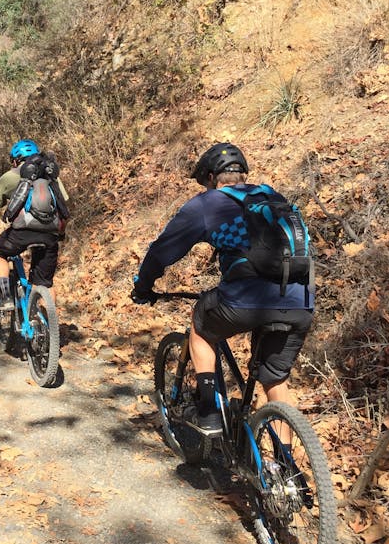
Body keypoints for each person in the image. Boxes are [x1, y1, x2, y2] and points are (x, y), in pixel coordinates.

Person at [130, 142, 314, 435]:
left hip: (244, 300)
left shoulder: (206, 204)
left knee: (201, 327)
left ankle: (209, 414)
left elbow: (162, 250)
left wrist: (143, 285)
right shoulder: (271, 196)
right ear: (242, 174)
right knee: (276, 380)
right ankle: (286, 471)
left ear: (212, 178)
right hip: (298, 300)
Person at [0, 139, 70, 310]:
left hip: (21, 234)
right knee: (45, 284)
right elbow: (63, 210)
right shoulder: (51, 176)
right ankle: (49, 328)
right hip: (49, 234)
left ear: (15, 160)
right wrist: (60, 233)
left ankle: (6, 297)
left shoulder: (9, 177)